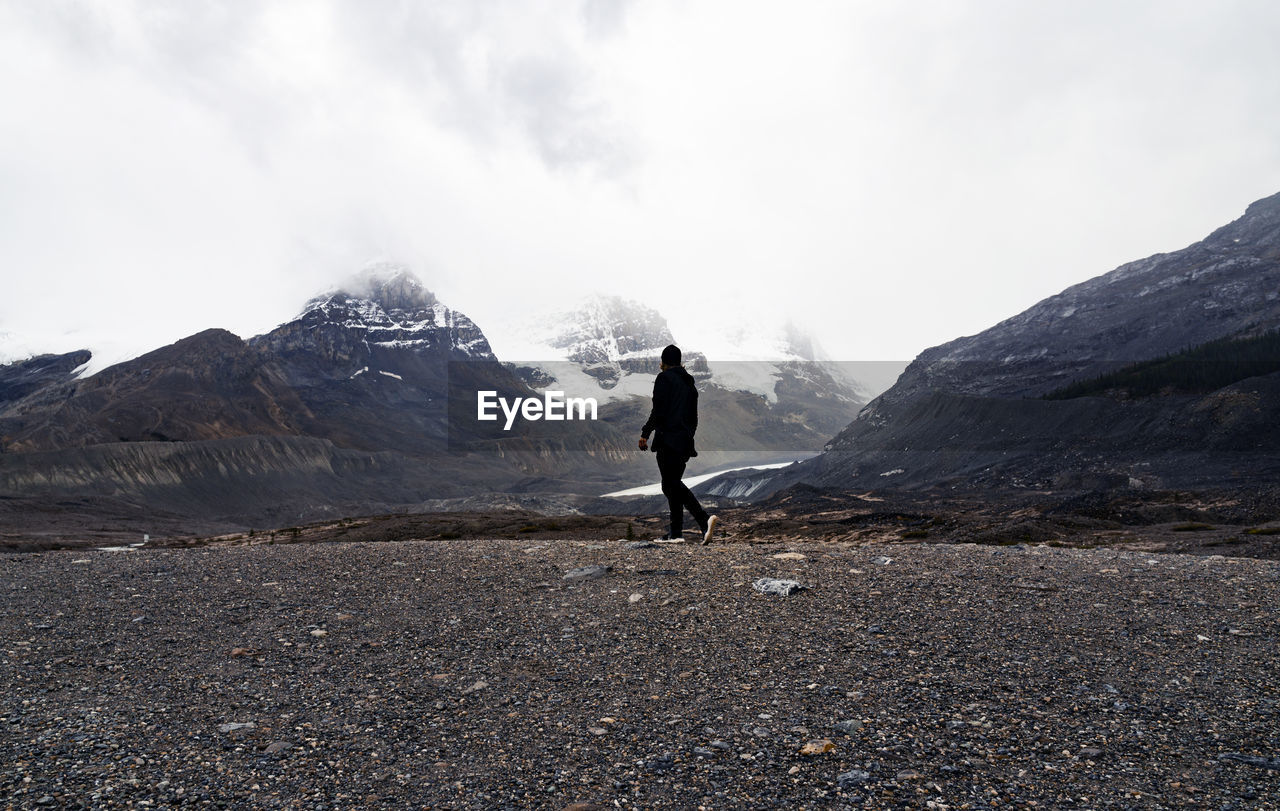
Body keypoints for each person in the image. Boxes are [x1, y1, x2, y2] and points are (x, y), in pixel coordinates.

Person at [639, 344, 719, 544]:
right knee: (671, 484)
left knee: (671, 483)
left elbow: (658, 410)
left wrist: (645, 434)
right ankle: (675, 534)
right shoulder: (689, 383)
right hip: (684, 441)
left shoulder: (664, 378)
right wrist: (688, 435)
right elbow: (694, 417)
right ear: (680, 361)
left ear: (664, 362)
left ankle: (704, 519)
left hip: (668, 439)